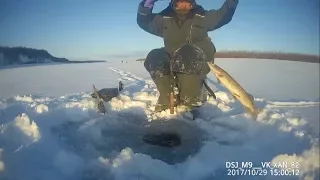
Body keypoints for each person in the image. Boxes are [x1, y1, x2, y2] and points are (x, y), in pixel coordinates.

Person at [137, 0, 238, 112]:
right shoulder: (164, 17)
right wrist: (146, 5)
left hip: (197, 57)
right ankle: (168, 97)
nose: (183, 4)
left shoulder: (202, 16)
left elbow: (223, 16)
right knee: (155, 57)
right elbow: (144, 22)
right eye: (180, 2)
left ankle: (190, 102)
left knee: (187, 53)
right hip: (173, 55)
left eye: (187, 2)